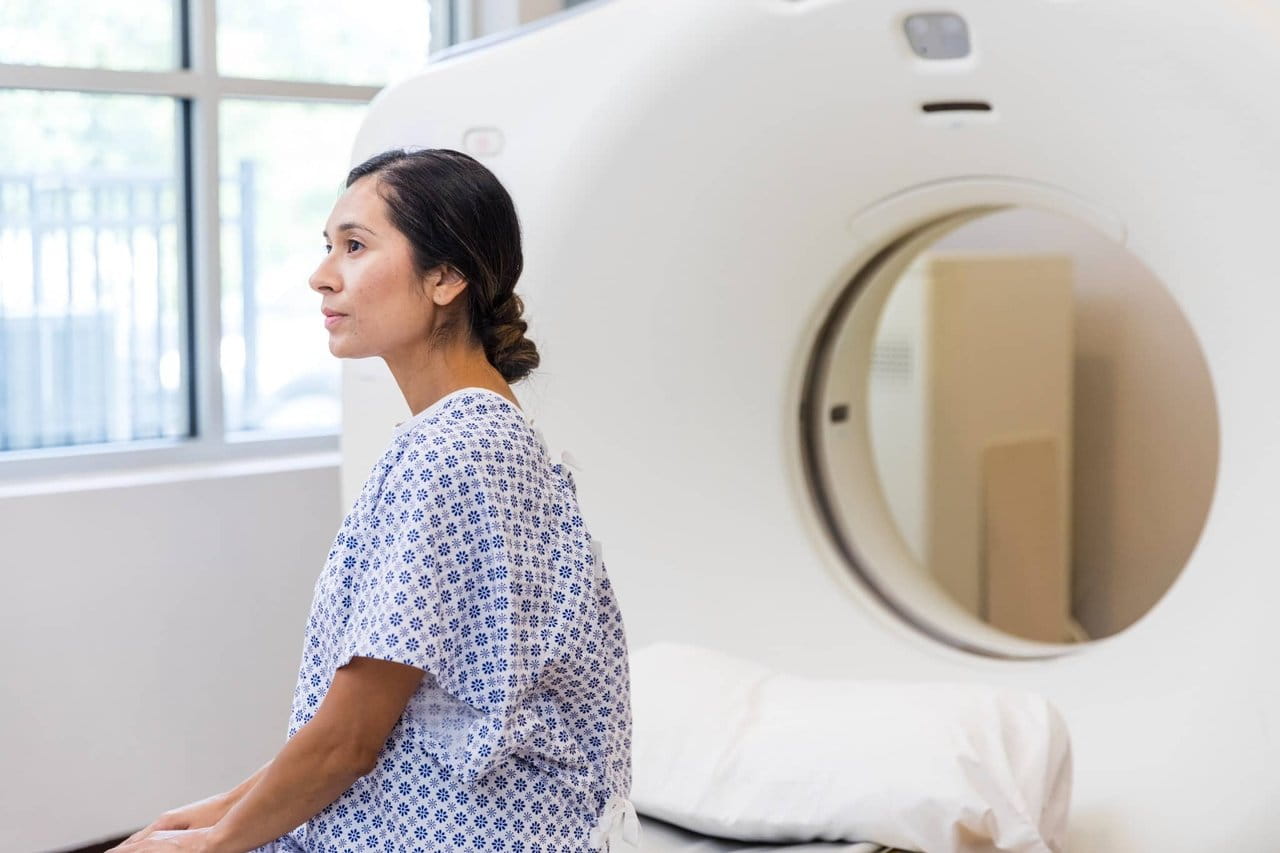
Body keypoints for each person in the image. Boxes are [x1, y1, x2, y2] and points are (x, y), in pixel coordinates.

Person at [111, 149, 636, 853]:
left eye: (355, 247)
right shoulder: (490, 432)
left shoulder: (448, 451)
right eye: (328, 246)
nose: (322, 275)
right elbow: (375, 729)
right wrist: (217, 812)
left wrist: (211, 843)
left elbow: (351, 740)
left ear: (445, 276)